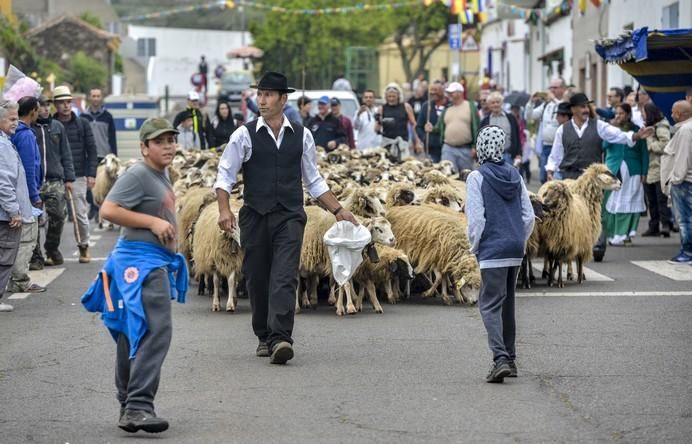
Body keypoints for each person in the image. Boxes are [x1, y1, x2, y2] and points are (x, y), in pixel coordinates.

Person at [214, 72, 357, 365]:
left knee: (284, 275)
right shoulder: (244, 134)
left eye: (268, 95)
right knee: (257, 277)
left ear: (283, 98)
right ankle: (264, 334)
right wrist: (224, 209)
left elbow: (313, 180)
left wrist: (338, 210)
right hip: (255, 215)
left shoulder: (302, 135)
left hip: (290, 216)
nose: (262, 100)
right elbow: (225, 174)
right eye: (259, 94)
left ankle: (281, 338)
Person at [83, 117, 187, 433]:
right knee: (157, 331)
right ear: (144, 148)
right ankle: (139, 406)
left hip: (147, 262)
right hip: (140, 265)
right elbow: (108, 209)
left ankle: (129, 404)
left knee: (135, 331)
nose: (168, 146)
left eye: (171, 140)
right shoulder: (139, 174)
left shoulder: (160, 173)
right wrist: (153, 224)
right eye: (160, 142)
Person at [465, 125, 534, 383]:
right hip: (514, 247)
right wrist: (519, 240)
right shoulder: (515, 175)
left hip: (492, 248)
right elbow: (528, 216)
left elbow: (476, 220)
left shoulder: (477, 177)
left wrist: (475, 247)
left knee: (489, 304)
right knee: (507, 304)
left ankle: (500, 359)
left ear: (481, 147)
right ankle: (511, 358)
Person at [545, 93, 652, 181]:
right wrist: (550, 171)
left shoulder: (599, 125)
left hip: (592, 179)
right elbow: (556, 155)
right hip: (568, 179)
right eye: (582, 107)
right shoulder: (562, 130)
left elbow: (619, 135)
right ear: (573, 110)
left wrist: (637, 135)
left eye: (587, 106)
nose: (586, 110)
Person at [53, 85, 97, 263]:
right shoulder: (50, 125)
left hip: (78, 174)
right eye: (62, 102)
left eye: (68, 102)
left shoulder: (82, 124)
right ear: (55, 105)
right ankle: (52, 250)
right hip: (55, 177)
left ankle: (84, 246)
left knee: (80, 214)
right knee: (54, 215)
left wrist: (92, 173)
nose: (66, 105)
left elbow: (92, 150)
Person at [7, 97, 46, 294]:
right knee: (27, 237)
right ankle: (20, 280)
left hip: (11, 194)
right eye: (38, 109)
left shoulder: (10, 135)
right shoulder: (26, 135)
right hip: (23, 195)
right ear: (32, 111)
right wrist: (34, 195)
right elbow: (30, 168)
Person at [31, 96, 75, 268]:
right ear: (34, 109)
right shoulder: (28, 128)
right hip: (34, 181)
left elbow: (66, 153)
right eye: (41, 106)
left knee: (58, 215)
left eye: (47, 105)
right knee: (33, 220)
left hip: (54, 179)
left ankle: (52, 249)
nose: (45, 109)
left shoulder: (57, 127)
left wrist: (69, 178)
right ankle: (35, 256)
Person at [0, 100, 33, 313]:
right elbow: (3, 181)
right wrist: (14, 211)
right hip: (6, 215)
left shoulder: (5, 141)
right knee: (4, 258)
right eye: (12, 119)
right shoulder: (2, 145)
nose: (16, 123)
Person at [601, 104, 649, 245]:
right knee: (608, 203)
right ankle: (610, 234)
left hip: (633, 171)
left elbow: (643, 153)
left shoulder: (637, 131)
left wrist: (644, 171)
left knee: (628, 202)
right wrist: (611, 130)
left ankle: (626, 234)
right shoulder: (609, 130)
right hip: (612, 170)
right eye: (616, 113)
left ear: (628, 115)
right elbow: (603, 147)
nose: (618, 116)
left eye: (621, 113)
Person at [660, 100, 692, 264]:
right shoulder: (686, 129)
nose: (671, 115)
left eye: (673, 112)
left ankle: (688, 252)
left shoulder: (686, 130)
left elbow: (682, 158)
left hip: (684, 182)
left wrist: (675, 180)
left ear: (680, 114)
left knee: (685, 219)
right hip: (685, 181)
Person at [426, 82, 480, 173]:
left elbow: (477, 127)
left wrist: (475, 146)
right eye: (448, 93)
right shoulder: (447, 109)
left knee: (465, 175)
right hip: (448, 148)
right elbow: (439, 127)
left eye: (451, 92)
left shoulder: (470, 106)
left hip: (465, 149)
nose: (449, 95)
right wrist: (431, 128)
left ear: (459, 93)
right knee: (447, 176)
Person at [524, 78, 566, 183]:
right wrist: (531, 102)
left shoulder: (564, 102)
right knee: (543, 177)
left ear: (562, 89)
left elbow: (564, 108)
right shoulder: (547, 104)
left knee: (557, 178)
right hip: (546, 146)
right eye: (550, 87)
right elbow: (529, 116)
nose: (552, 90)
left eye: (555, 87)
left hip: (560, 146)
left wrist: (554, 100)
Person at [641, 102, 673, 238]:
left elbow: (666, 145)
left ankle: (665, 225)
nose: (642, 115)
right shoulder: (649, 127)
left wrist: (651, 144)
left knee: (661, 199)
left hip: (660, 168)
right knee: (652, 200)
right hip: (650, 168)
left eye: (644, 112)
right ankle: (653, 226)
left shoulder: (661, 127)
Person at [378, 83, 422, 161]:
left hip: (402, 142)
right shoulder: (382, 109)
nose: (391, 99)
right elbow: (377, 129)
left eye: (393, 96)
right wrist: (379, 120)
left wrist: (417, 142)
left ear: (398, 96)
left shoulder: (406, 107)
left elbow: (414, 124)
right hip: (387, 143)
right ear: (386, 97)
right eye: (389, 97)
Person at [479, 92, 521, 166]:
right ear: (489, 105)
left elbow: (517, 136)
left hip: (508, 155)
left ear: (502, 103)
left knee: (508, 177)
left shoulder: (511, 118)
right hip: (490, 158)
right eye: (493, 103)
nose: (496, 104)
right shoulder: (485, 121)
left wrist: (518, 153)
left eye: (498, 102)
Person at [81, 88, 117, 158]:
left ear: (101, 98)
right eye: (93, 96)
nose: (96, 99)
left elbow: (112, 138)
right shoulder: (83, 116)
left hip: (105, 156)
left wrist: (114, 156)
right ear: (89, 97)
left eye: (98, 96)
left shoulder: (108, 116)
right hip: (87, 156)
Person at [417, 81, 447, 162]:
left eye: (435, 90)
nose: (433, 92)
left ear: (443, 91)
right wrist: (425, 138)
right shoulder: (426, 106)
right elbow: (419, 126)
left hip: (447, 147)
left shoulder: (450, 106)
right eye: (431, 90)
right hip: (432, 149)